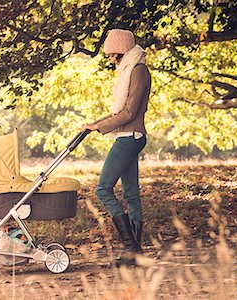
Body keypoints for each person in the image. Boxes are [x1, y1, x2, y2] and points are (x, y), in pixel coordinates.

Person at [81, 29, 151, 266]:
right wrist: (95, 124)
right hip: (126, 135)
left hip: (130, 137)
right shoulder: (128, 70)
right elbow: (118, 113)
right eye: (110, 56)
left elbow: (129, 112)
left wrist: (99, 127)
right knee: (131, 193)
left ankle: (132, 248)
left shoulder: (139, 71)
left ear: (126, 51)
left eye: (116, 56)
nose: (113, 60)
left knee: (102, 189)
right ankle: (135, 253)